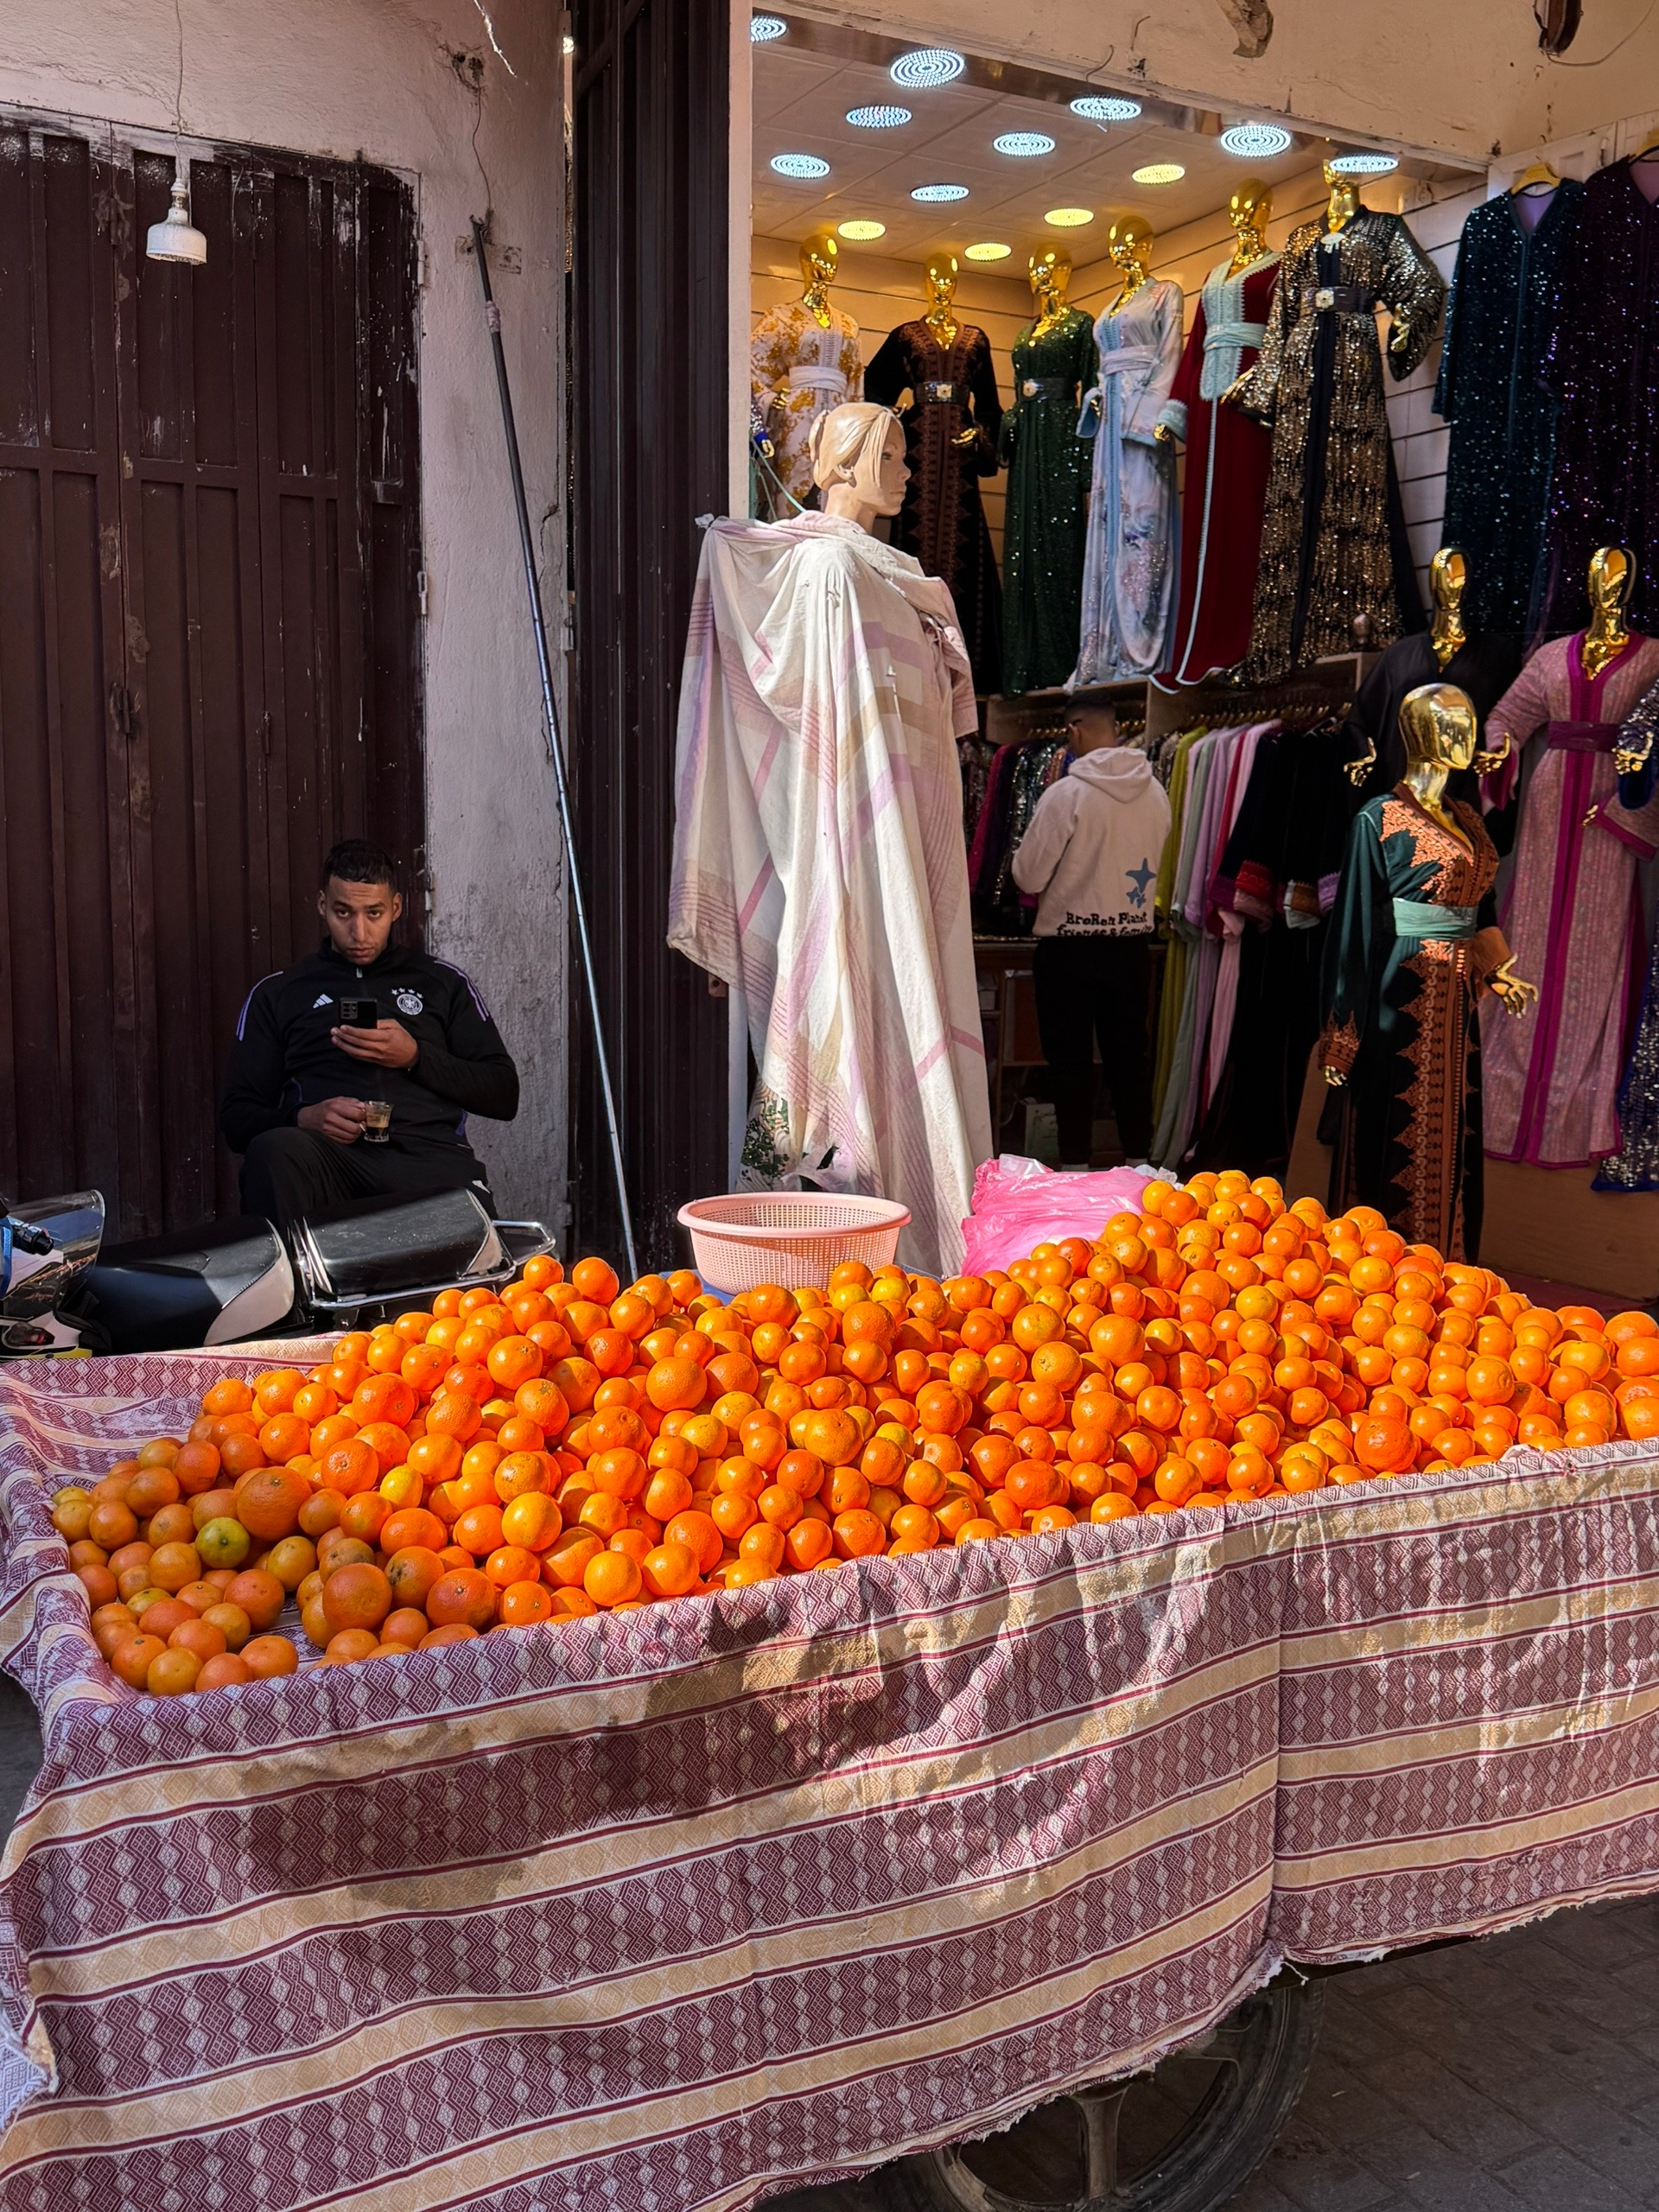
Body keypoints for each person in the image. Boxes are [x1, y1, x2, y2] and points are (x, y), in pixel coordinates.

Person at [219, 840, 519, 1226]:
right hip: (330, 1159)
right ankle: (296, 1283)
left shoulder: (442, 983)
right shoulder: (279, 993)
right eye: (343, 912)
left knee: (470, 1238)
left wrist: (416, 1057)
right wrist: (303, 1117)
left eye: (373, 913)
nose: (359, 932)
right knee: (273, 1150)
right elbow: (236, 1121)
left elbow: (503, 1094)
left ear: (395, 908)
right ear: (322, 906)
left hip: (425, 1154)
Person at [1010, 703, 1170, 1170]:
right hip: (1131, 944)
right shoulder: (1154, 792)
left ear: (1072, 731)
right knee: (1129, 1058)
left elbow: (1029, 876)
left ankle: (1076, 1165)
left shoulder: (1067, 794)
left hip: (1070, 945)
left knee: (1070, 1060)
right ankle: (1142, 1163)